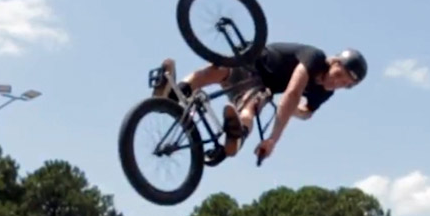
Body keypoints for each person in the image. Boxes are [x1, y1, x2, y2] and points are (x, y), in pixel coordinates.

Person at [152, 43, 367, 163]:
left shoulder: (324, 92)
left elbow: (305, 111)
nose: (338, 83)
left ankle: (237, 133)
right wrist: (273, 138)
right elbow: (292, 93)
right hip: (250, 63)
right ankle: (174, 91)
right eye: (340, 74)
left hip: (257, 88)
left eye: (345, 84)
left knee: (253, 104)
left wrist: (294, 111)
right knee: (217, 71)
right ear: (334, 62)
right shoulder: (315, 57)